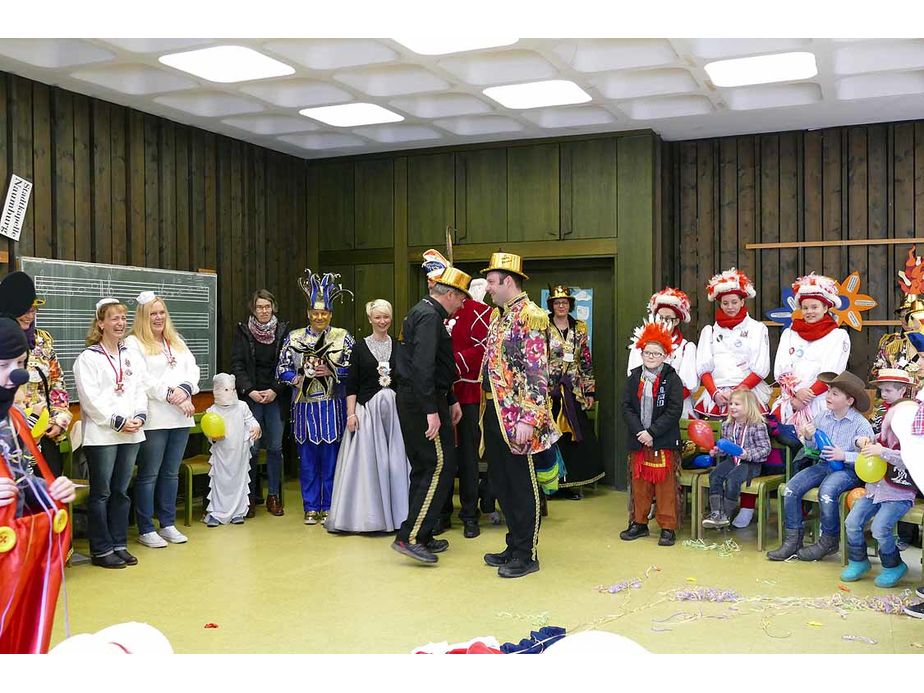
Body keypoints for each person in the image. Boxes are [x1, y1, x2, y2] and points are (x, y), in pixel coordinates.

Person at [0, 292, 76, 653]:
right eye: (2, 365)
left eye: (17, 364)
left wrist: (49, 493)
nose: (13, 376)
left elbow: (19, 477)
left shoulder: (11, 418)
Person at [480, 253, 560, 578]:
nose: (487, 288)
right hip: (496, 414)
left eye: (491, 282)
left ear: (507, 281)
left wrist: (529, 419)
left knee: (522, 487)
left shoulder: (531, 316)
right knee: (501, 482)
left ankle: (527, 554)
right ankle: (513, 544)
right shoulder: (500, 316)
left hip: (518, 420)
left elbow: (538, 373)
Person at [391, 268, 468, 563]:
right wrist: (431, 411)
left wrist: (450, 398)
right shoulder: (429, 317)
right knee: (438, 466)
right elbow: (422, 367)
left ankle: (421, 533)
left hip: (427, 399)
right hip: (421, 402)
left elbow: (435, 365)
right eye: (461, 298)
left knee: (426, 467)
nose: (462, 305)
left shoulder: (425, 314)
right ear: (450, 294)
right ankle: (409, 537)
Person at [73, 298, 148, 569]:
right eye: (113, 318)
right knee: (101, 493)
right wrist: (117, 421)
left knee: (121, 491)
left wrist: (139, 415)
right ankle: (101, 549)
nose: (120, 323)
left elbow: (140, 387)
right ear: (101, 323)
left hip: (131, 433)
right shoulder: (87, 358)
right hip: (103, 435)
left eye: (122, 318)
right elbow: (90, 400)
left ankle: (119, 544)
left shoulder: (130, 355)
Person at [767, 371, 873, 561]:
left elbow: (868, 458)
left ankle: (829, 540)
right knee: (791, 489)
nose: (828, 396)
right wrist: (807, 437)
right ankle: (793, 540)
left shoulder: (861, 424)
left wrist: (845, 455)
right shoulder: (822, 417)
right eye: (829, 391)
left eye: (835, 394)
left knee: (828, 491)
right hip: (824, 464)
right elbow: (812, 448)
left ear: (849, 400)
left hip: (849, 470)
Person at [277, 270, 354, 526]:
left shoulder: (343, 337)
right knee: (308, 463)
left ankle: (331, 506)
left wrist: (331, 370)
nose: (319, 317)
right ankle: (311, 507)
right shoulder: (294, 337)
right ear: (308, 313)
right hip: (304, 408)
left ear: (330, 314)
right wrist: (296, 378)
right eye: (315, 313)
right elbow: (282, 368)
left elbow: (354, 369)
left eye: (324, 313)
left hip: (332, 408)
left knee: (331, 461)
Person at [326, 299, 409, 533]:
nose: (382, 321)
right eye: (378, 317)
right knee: (370, 465)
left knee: (394, 463)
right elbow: (351, 384)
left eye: (386, 317)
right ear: (370, 319)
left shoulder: (399, 345)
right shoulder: (359, 347)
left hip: (393, 413)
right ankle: (369, 517)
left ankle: (398, 515)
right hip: (367, 412)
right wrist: (351, 414)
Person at [125, 291, 199, 549]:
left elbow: (193, 368)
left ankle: (167, 523)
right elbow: (142, 380)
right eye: (152, 314)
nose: (158, 317)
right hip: (155, 419)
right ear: (143, 317)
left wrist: (186, 389)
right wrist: (172, 394)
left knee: (170, 473)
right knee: (150, 474)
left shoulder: (175, 340)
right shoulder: (134, 343)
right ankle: (146, 528)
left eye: (161, 312)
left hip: (180, 418)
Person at [842, 382, 918, 587]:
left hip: (899, 493)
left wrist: (882, 452)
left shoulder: (910, 423)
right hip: (874, 490)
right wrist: (862, 441)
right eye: (882, 390)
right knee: (852, 522)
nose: (884, 394)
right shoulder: (884, 416)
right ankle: (858, 562)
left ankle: (893, 565)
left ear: (902, 391)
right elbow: (874, 439)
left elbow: (911, 458)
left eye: (889, 390)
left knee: (880, 528)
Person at [0, 275, 72, 477]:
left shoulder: (43, 342)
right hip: (11, 437)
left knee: (46, 495)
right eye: (25, 309)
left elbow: (57, 382)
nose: (30, 315)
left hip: (45, 434)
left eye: (34, 310)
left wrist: (59, 419)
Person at [620, 317, 684, 547]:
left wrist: (652, 433)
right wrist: (640, 432)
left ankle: (667, 527)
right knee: (639, 483)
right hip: (639, 441)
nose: (651, 357)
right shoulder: (634, 377)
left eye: (656, 353)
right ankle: (638, 523)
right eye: (647, 352)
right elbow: (626, 406)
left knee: (665, 486)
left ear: (665, 355)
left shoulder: (672, 379)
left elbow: (674, 410)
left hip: (663, 441)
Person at [231, 288, 290, 517]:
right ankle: (251, 496)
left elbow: (289, 364)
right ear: (253, 309)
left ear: (273, 307)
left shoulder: (284, 332)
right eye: (259, 307)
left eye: (267, 306)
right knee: (252, 449)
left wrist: (276, 389)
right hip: (252, 399)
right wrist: (250, 390)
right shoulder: (243, 331)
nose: (263, 311)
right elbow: (237, 365)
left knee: (275, 448)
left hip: (276, 397)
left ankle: (273, 496)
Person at [771, 273, 850, 441]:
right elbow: (781, 369)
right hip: (791, 403)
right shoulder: (789, 334)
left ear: (826, 307)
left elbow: (831, 373)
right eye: (805, 308)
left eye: (814, 307)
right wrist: (796, 394)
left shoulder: (838, 336)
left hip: (820, 403)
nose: (809, 312)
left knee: (817, 444)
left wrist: (807, 396)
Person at [547, 284, 603, 498]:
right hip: (548, 392)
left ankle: (572, 484)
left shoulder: (579, 328)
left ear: (570, 305)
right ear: (552, 305)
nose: (561, 305)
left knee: (575, 439)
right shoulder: (543, 326)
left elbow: (586, 361)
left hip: (573, 391)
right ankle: (549, 483)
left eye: (565, 302)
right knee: (550, 438)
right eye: (557, 302)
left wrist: (590, 392)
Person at [701, 389, 771, 529]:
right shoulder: (727, 425)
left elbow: (765, 449)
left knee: (733, 479)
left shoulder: (758, 425)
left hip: (750, 464)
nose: (732, 406)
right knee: (715, 475)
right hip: (732, 461)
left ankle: (726, 514)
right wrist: (717, 451)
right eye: (731, 403)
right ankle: (716, 513)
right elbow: (726, 447)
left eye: (737, 404)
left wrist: (747, 454)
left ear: (749, 406)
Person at [627, 287, 697, 418]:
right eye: (660, 317)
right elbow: (634, 379)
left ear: (676, 321)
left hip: (676, 411)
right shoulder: (640, 345)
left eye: (668, 318)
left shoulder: (686, 348)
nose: (663, 322)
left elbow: (689, 386)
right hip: (645, 407)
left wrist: (663, 404)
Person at [202, 373, 261, 526]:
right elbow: (209, 431)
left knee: (239, 481)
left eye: (233, 390)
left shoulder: (242, 406)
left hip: (239, 454)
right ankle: (216, 512)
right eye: (226, 390)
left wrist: (255, 428)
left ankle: (238, 511)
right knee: (220, 482)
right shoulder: (212, 411)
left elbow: (250, 420)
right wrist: (213, 436)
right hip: (222, 455)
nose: (231, 393)